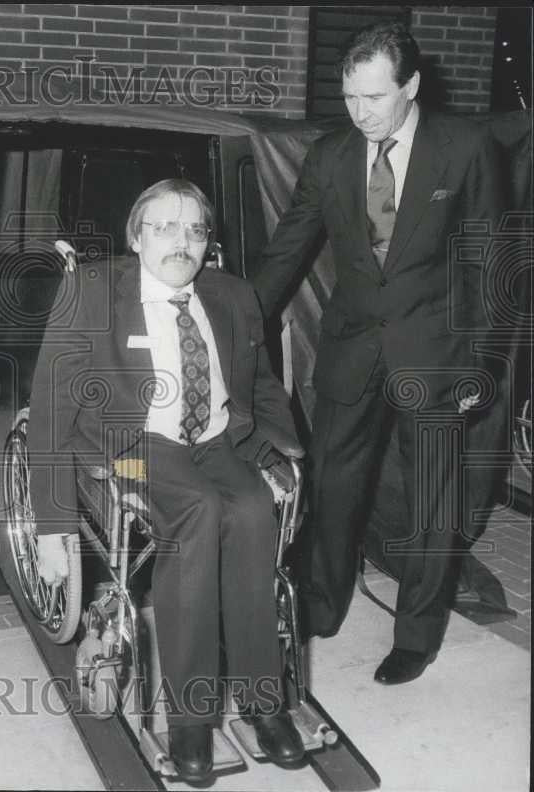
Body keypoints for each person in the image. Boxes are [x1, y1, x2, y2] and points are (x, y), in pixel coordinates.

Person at [28, 179, 306, 784]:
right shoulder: (93, 291)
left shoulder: (234, 296)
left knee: (256, 511)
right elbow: (49, 408)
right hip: (135, 443)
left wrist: (283, 450)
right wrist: (52, 528)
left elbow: (260, 386)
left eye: (195, 230)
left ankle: (265, 701)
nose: (181, 242)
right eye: (164, 227)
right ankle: (190, 717)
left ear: (210, 243)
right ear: (136, 236)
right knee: (200, 512)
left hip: (214, 438)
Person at [253, 21, 505, 685]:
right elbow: (288, 250)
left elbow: (491, 260)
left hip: (437, 352)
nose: (361, 113)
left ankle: (416, 637)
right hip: (351, 349)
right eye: (350, 98)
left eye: (376, 98)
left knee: (431, 501)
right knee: (332, 487)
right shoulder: (331, 156)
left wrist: (486, 361)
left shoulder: (466, 146)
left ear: (412, 86)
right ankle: (322, 605)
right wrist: (235, 323)